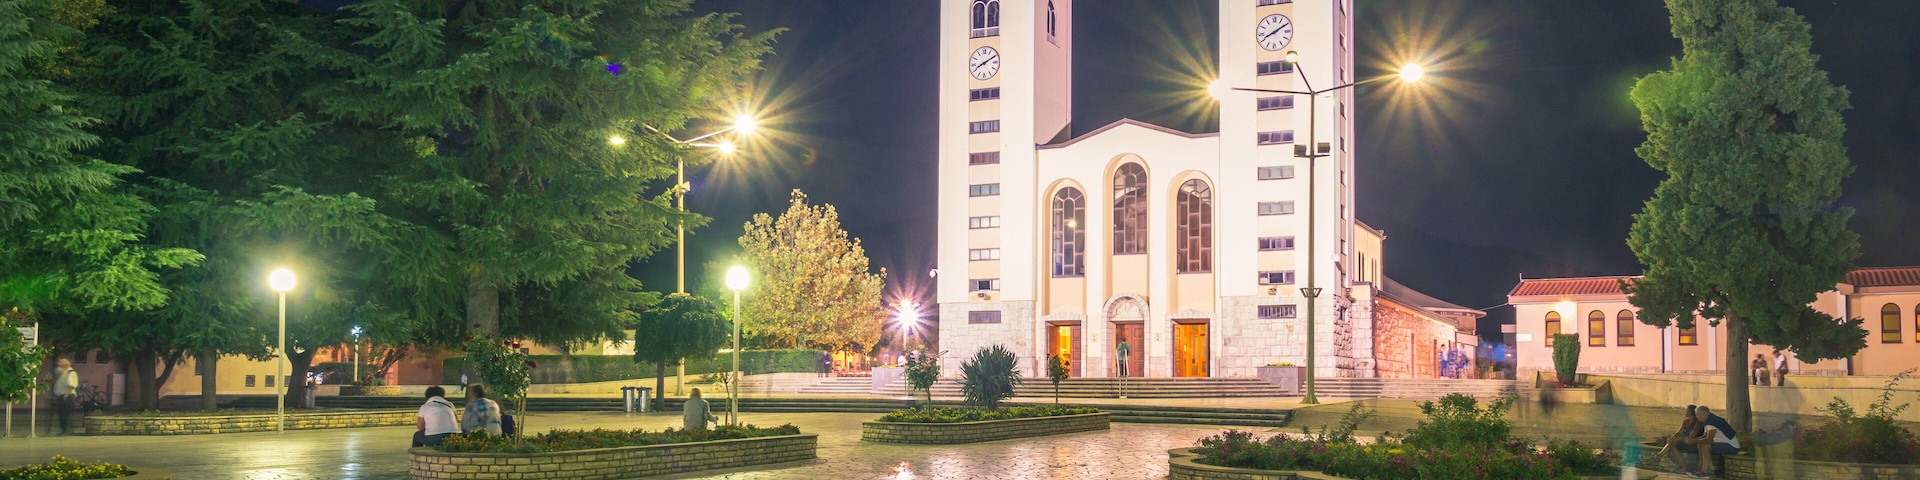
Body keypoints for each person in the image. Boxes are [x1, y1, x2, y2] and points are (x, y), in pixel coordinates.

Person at [1681, 406, 1741, 478]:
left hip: (1732, 446)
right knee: (1700, 444)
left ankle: (1704, 471)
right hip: (1724, 444)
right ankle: (1700, 468)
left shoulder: (1711, 422)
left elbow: (1709, 439)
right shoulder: (1709, 420)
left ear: (1702, 414)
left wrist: (1693, 440)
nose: (1696, 417)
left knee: (1706, 445)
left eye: (1697, 415)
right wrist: (1693, 440)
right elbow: (1704, 436)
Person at [1653, 405, 1704, 472]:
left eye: (1686, 410)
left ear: (1691, 412)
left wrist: (1678, 440)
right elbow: (1678, 433)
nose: (1685, 412)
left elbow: (1691, 437)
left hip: (1693, 444)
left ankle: (1658, 456)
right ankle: (1685, 467)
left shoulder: (1697, 423)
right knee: (1672, 445)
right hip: (1684, 442)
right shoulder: (1686, 421)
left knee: (1672, 443)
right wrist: (1672, 437)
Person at [49, 358, 79, 435]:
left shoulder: (70, 372)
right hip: (63, 396)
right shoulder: (64, 373)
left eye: (60, 365)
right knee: (62, 414)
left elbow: (71, 385)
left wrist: (66, 395)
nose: (58, 367)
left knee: (65, 414)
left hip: (67, 396)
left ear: (66, 365)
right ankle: (64, 430)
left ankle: (66, 430)